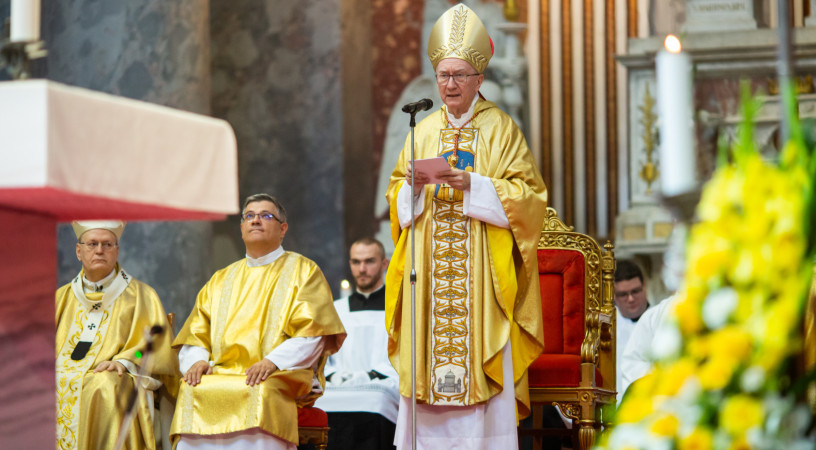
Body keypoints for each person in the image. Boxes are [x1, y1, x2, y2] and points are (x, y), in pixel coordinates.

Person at [384, 4, 548, 448]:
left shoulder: (501, 128)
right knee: (425, 370)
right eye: (443, 75)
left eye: (458, 75)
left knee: (480, 387)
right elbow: (396, 195)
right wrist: (413, 189)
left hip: (480, 281)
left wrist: (475, 186)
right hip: (429, 278)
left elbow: (531, 198)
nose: (449, 84)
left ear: (478, 78)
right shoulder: (422, 128)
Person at [169, 193, 346, 450]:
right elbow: (197, 331)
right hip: (221, 371)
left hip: (277, 372)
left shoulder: (303, 271)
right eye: (249, 216)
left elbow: (313, 333)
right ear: (241, 227)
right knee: (191, 388)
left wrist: (273, 361)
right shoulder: (221, 279)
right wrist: (197, 360)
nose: (255, 221)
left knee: (259, 390)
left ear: (283, 228)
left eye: (265, 216)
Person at [56, 220, 177, 450]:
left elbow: (156, 348)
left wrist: (127, 361)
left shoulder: (142, 295)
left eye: (107, 244)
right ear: (78, 251)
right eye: (92, 244)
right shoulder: (61, 298)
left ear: (117, 251)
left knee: (104, 387)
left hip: (114, 378)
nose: (100, 250)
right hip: (61, 376)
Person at [315, 237, 398, 450]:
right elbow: (326, 358)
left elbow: (403, 357)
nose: (362, 269)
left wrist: (371, 375)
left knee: (377, 401)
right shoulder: (337, 309)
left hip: (383, 383)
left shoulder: (398, 309)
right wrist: (336, 375)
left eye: (369, 261)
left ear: (384, 264)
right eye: (355, 262)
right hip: (340, 384)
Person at [614, 260, 650, 402]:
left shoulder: (662, 319)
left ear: (644, 286)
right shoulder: (604, 326)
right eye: (623, 294)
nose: (630, 299)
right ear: (613, 295)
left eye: (635, 291)